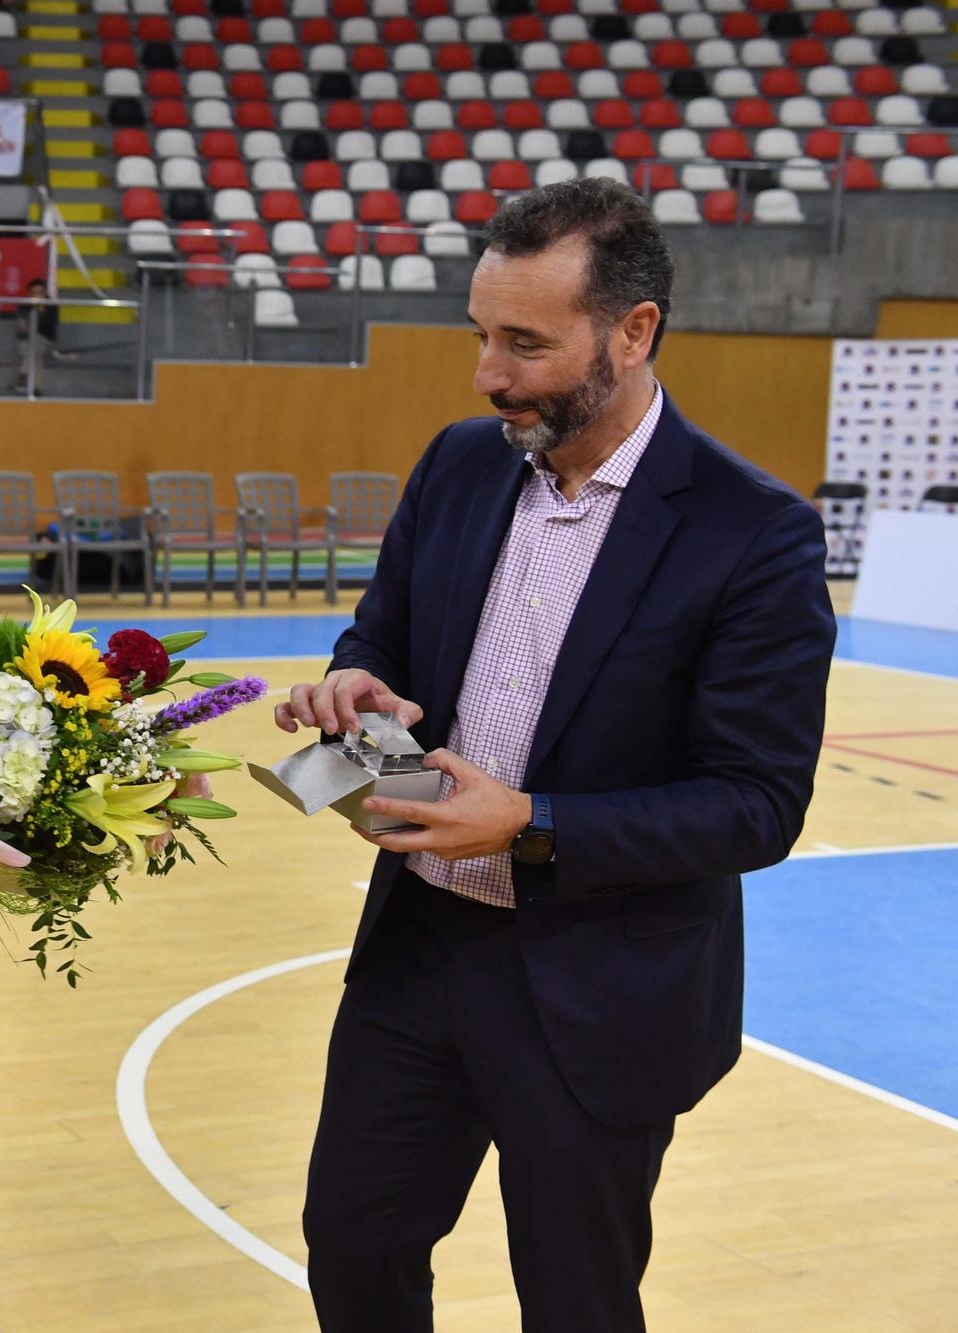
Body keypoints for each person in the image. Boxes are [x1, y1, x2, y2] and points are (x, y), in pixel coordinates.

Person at [286, 178, 835, 1333]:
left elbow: (754, 804)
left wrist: (529, 822)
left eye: (522, 344)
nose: (487, 373)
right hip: (419, 948)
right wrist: (355, 677)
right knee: (351, 1248)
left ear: (631, 333)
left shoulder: (753, 533)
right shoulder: (457, 463)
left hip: (598, 983)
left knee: (575, 1301)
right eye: (480, 336)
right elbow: (378, 627)